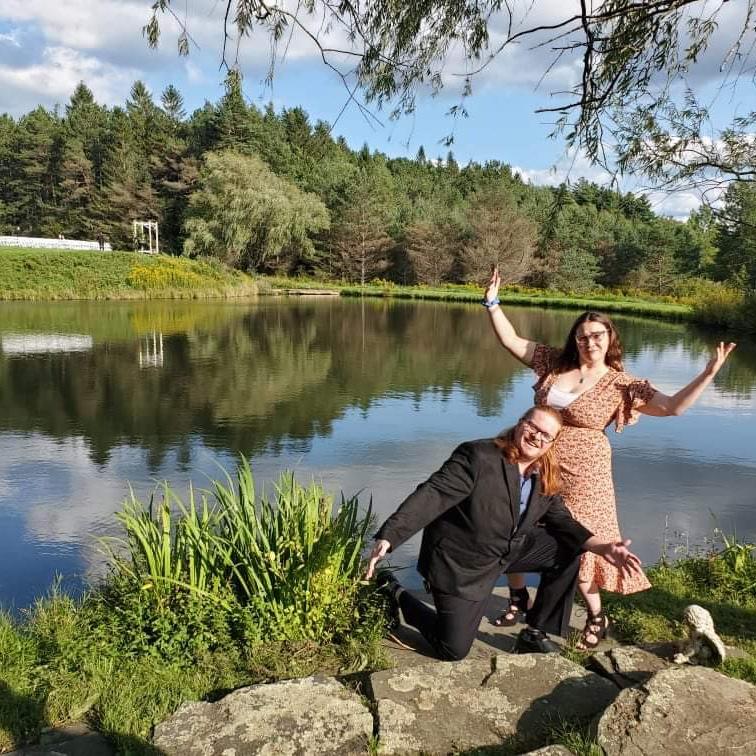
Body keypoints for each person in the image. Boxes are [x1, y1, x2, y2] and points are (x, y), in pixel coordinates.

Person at [483, 267, 736, 649]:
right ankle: (518, 598)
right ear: (575, 339)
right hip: (535, 456)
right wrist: (492, 303)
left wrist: (708, 373)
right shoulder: (554, 362)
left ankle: (596, 615)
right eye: (583, 336)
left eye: (597, 335)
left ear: (609, 338)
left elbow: (672, 407)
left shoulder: (622, 384)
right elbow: (511, 341)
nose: (589, 342)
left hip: (586, 474)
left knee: (583, 541)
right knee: (513, 521)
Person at [365, 406, 643, 661]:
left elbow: (561, 520)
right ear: (520, 423)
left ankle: (534, 632)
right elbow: (433, 493)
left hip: (506, 551)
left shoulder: (546, 472)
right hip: (462, 562)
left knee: (571, 548)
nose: (536, 437)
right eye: (532, 427)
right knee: (453, 649)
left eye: (546, 435)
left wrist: (602, 547)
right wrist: (391, 535)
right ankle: (395, 590)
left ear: (552, 443)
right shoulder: (479, 457)